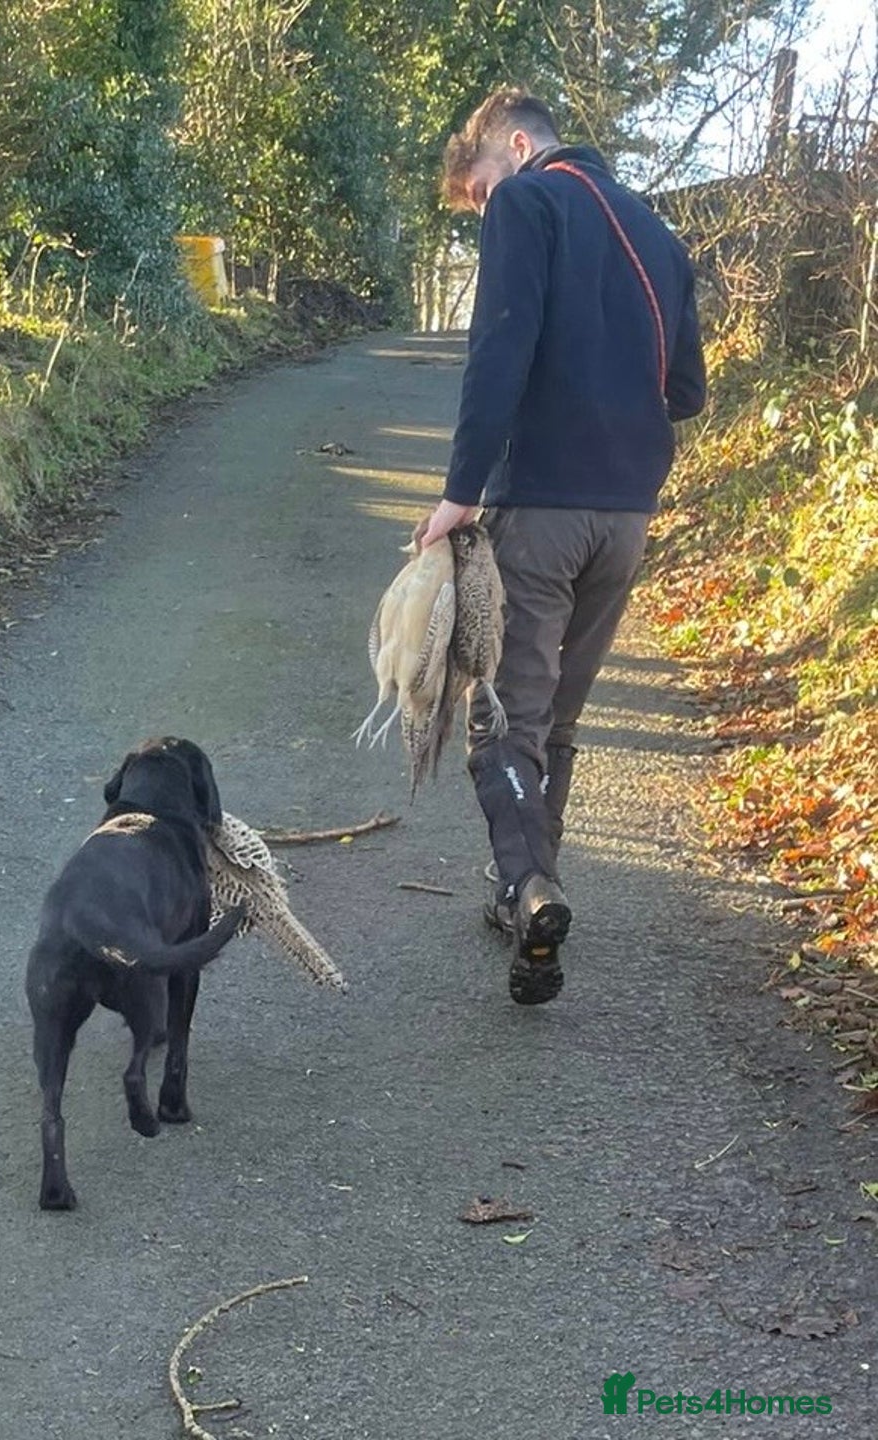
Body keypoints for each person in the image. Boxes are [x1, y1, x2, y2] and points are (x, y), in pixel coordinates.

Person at [416, 87, 706, 1006]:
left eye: (479, 193)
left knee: (502, 717)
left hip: (539, 507)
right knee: (558, 718)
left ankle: (528, 884)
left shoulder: (529, 202)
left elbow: (498, 351)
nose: (482, 212)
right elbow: (689, 390)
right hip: (627, 516)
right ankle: (530, 896)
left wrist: (461, 494)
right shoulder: (658, 234)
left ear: (514, 145)